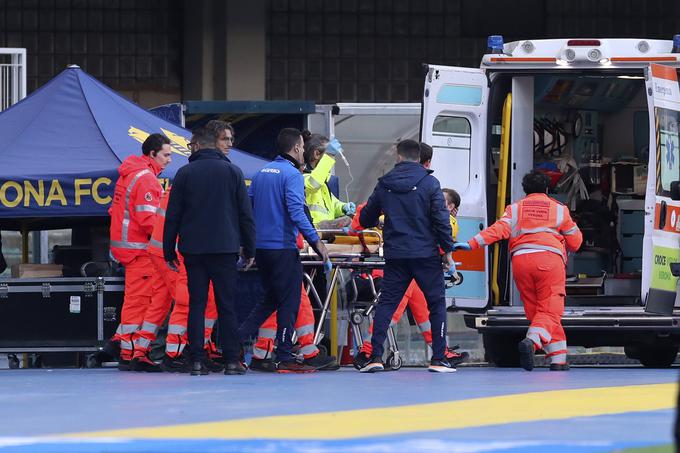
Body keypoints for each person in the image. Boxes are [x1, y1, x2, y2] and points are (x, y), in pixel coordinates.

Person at [455, 170, 582, 371]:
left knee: (537, 313)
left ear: (525, 190)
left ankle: (558, 360)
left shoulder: (515, 209)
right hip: (549, 261)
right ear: (547, 189)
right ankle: (531, 341)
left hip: (521, 262)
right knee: (551, 310)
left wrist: (471, 244)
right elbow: (576, 242)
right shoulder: (559, 210)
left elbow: (496, 231)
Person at [357, 139, 457, 373]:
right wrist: (447, 252)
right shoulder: (430, 183)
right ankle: (439, 358)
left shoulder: (384, 183)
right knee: (436, 303)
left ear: (398, 156)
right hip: (426, 255)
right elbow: (441, 220)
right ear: (419, 157)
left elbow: (365, 219)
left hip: (396, 255)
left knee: (386, 304)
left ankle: (375, 357)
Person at [163, 127, 256, 376]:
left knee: (197, 304)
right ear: (214, 146)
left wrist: (168, 249)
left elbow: (173, 216)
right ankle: (232, 361)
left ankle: (196, 361)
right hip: (225, 248)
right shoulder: (233, 172)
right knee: (226, 305)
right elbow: (245, 215)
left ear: (197, 147)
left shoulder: (184, 173)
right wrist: (250, 249)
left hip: (193, 249)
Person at [238, 128, 330, 373]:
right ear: (297, 148)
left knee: (269, 301)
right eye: (302, 147)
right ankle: (284, 355)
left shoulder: (261, 174)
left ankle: (234, 340)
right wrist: (316, 243)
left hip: (262, 249)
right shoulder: (291, 175)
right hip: (282, 249)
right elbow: (296, 212)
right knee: (289, 302)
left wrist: (247, 246)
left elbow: (248, 210)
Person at [352, 187, 469, 368]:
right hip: (390, 266)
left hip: (403, 264)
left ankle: (441, 350)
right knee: (397, 305)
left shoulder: (405, 202)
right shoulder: (408, 205)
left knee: (423, 307)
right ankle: (368, 350)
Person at [109, 133, 172, 370]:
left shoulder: (130, 175)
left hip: (129, 250)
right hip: (141, 251)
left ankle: (127, 350)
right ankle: (133, 354)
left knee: (134, 301)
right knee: (140, 302)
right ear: (152, 154)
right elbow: (148, 220)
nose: (169, 160)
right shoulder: (147, 180)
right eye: (166, 155)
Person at [302, 131, 355, 228]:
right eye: (328, 155)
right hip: (312, 230)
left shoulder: (323, 182)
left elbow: (331, 205)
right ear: (317, 154)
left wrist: (343, 207)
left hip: (325, 234)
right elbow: (313, 185)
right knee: (348, 221)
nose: (332, 160)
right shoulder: (301, 177)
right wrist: (329, 156)